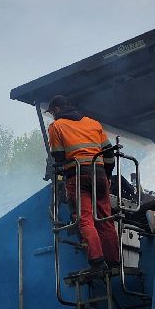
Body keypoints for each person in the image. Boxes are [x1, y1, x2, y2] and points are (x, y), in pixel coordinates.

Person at [45, 95, 120, 273]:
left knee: (85, 220)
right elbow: (109, 154)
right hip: (100, 174)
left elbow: (58, 156)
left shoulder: (56, 126)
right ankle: (114, 262)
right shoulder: (93, 123)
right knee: (105, 219)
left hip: (77, 175)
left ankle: (97, 262)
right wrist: (107, 175)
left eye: (52, 112)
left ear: (56, 109)